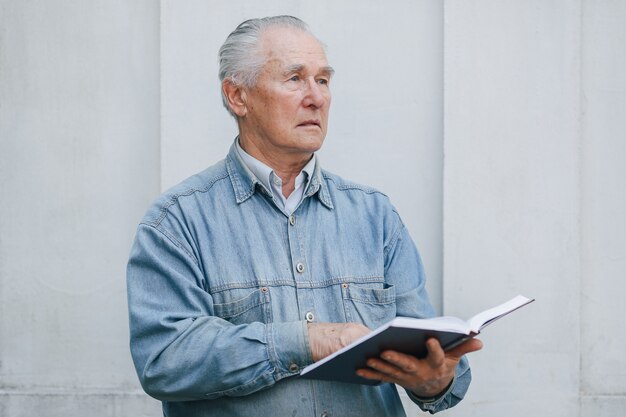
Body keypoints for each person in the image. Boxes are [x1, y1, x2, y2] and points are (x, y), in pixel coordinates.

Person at [127, 15, 482, 417]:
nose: (317, 98)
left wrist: (436, 381)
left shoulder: (374, 215)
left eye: (324, 80)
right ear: (237, 96)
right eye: (295, 78)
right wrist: (308, 340)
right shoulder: (177, 221)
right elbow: (165, 361)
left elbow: (432, 358)